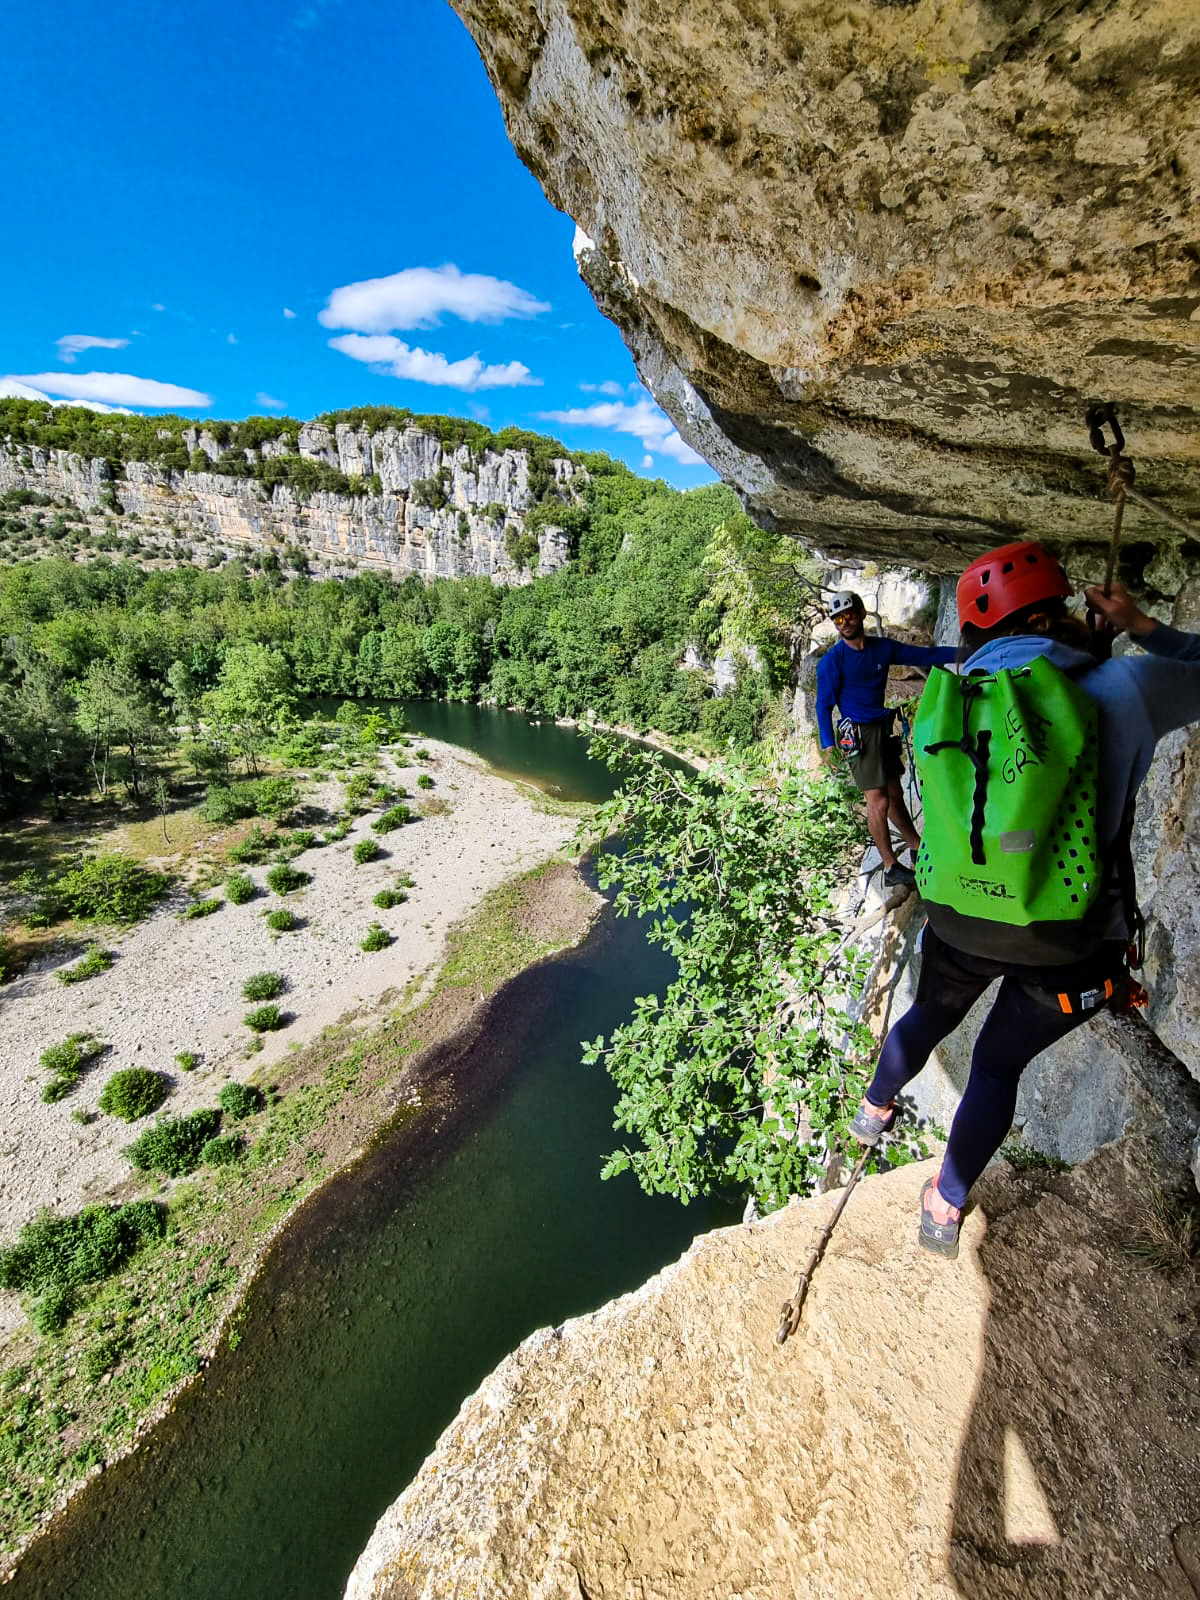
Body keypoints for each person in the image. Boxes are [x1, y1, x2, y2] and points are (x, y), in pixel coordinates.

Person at [848, 545, 1200, 1257]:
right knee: (998, 1067)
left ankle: (874, 1108)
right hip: (1069, 939)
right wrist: (1140, 626)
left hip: (960, 915)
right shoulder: (1121, 688)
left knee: (928, 1017)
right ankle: (944, 1207)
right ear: (1052, 616)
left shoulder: (954, 694)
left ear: (982, 635)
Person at [815, 590, 958, 887]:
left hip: (881, 727)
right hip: (857, 734)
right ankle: (891, 867)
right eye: (838, 619)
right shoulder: (832, 662)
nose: (845, 622)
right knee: (877, 801)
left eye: (849, 615)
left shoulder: (882, 649)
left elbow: (925, 656)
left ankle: (917, 846)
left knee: (893, 792)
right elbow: (823, 704)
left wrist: (965, 652)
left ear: (861, 613)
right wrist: (828, 745)